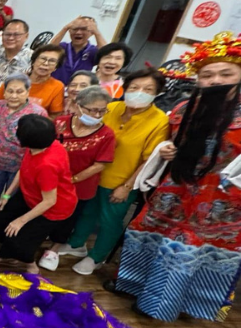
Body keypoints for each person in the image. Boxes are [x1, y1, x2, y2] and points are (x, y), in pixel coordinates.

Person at [111, 33, 241, 321]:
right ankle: (134, 286)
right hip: (175, 190)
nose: (216, 80)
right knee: (150, 236)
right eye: (207, 75)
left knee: (188, 250)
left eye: (225, 74)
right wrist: (167, 149)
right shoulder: (184, 108)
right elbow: (170, 143)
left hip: (219, 200)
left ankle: (164, 305)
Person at [62, 68, 169, 275]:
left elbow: (149, 160)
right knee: (87, 212)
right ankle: (76, 244)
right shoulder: (110, 107)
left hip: (121, 180)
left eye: (148, 89)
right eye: (134, 87)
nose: (139, 92)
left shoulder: (159, 120)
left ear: (157, 93)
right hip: (92, 174)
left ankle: (97, 257)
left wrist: (127, 186)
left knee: (110, 220)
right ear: (125, 88)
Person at [0, 114, 78, 274]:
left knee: (21, 239)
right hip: (30, 195)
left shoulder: (46, 165)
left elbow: (49, 201)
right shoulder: (42, 146)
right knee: (0, 217)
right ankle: (8, 253)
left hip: (52, 208)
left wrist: (21, 221)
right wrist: (6, 195)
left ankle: (30, 265)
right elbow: (23, 169)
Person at [41, 86, 116, 271]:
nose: (97, 114)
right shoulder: (59, 123)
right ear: (77, 105)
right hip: (50, 179)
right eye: (92, 110)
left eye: (102, 110)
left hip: (79, 186)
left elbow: (100, 164)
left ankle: (55, 249)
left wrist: (71, 179)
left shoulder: (106, 134)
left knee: (69, 218)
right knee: (44, 210)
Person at [0, 74, 49, 208]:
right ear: (4, 92)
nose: (14, 96)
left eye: (19, 92)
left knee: (10, 200)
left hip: (21, 166)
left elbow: (40, 145)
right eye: (10, 91)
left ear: (27, 92)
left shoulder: (38, 113)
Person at [0, 44, 66, 117]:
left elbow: (55, 116)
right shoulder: (14, 79)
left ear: (56, 67)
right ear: (33, 61)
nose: (46, 63)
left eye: (52, 61)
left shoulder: (57, 86)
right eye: (43, 58)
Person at [50, 16, 108, 84]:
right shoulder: (63, 47)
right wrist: (65, 28)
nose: (78, 32)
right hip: (55, 86)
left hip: (78, 89)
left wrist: (97, 32)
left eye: (83, 29)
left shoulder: (93, 51)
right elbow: (50, 48)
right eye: (75, 29)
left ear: (91, 33)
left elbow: (107, 54)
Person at [0, 19, 32, 85]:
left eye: (16, 35)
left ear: (26, 36)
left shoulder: (32, 59)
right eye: (7, 34)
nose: (11, 38)